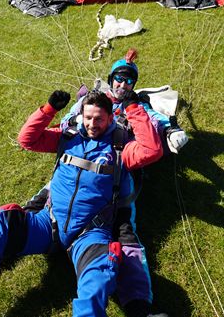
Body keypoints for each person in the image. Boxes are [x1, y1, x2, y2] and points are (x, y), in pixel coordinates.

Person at [0, 89, 163, 317]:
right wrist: (48, 109)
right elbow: (27, 139)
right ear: (82, 116)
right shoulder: (68, 138)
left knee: (98, 279)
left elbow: (152, 150)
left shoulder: (120, 148)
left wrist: (133, 108)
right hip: (49, 222)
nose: (93, 124)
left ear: (110, 118)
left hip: (90, 233)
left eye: (99, 119)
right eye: (88, 118)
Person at [23, 49, 186, 317]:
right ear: (111, 80)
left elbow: (154, 124)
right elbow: (68, 120)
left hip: (118, 169)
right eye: (119, 79)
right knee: (39, 202)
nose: (123, 84)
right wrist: (71, 119)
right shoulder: (92, 101)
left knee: (126, 237)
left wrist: (171, 129)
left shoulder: (137, 105)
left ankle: (139, 309)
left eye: (129, 81)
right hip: (79, 163)